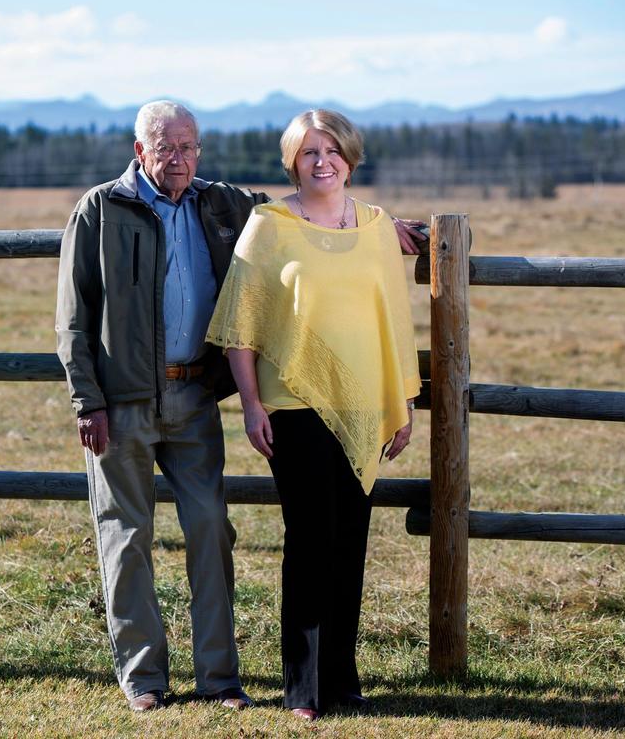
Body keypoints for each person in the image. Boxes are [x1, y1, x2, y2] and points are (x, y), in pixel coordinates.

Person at [56, 101, 423, 713]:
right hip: (121, 401)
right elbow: (74, 314)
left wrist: (388, 228)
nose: (179, 158)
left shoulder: (217, 202)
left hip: (193, 394)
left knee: (210, 531)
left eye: (189, 147)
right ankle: (145, 680)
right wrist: (86, 400)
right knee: (126, 537)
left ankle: (219, 679)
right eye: (167, 147)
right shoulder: (101, 209)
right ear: (140, 149)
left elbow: (298, 204)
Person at [205, 109, 421, 722]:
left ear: (350, 157)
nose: (321, 161)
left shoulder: (378, 227)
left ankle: (343, 681)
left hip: (363, 404)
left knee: (350, 540)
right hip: (293, 405)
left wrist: (400, 401)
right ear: (291, 162)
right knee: (309, 541)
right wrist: (250, 404)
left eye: (331, 150)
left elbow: (393, 319)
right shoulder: (269, 227)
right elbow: (240, 328)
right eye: (308, 153)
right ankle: (303, 690)